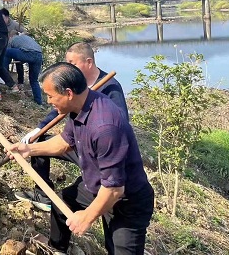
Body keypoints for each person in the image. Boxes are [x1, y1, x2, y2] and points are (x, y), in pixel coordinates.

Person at [9, 63, 154, 255]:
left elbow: (114, 190)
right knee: (63, 204)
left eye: (50, 96)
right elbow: (64, 142)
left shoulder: (105, 127)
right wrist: (29, 149)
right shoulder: (80, 106)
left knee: (119, 250)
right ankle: (57, 249)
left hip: (126, 200)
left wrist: (87, 217)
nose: (48, 101)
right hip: (98, 184)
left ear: (68, 93)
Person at [15, 42, 128, 211]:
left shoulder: (110, 86)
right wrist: (40, 128)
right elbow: (60, 107)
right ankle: (43, 195)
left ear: (89, 62)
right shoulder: (72, 85)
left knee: (89, 188)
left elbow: (121, 122)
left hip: (98, 151)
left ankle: (89, 195)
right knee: (39, 143)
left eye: (73, 63)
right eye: (67, 62)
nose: (69, 67)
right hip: (76, 142)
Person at [3, 33, 43, 105]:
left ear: (10, 36)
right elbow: (20, 60)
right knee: (34, 80)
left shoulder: (12, 39)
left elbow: (9, 54)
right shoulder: (25, 39)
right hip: (39, 55)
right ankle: (39, 101)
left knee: (6, 51)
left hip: (28, 53)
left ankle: (3, 73)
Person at [1, 8, 27, 87]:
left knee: (19, 63)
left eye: (3, 18)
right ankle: (5, 80)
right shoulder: (0, 24)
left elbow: (25, 31)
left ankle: (20, 82)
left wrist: (18, 35)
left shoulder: (15, 24)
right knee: (4, 62)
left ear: (7, 17)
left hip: (15, 48)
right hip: (6, 48)